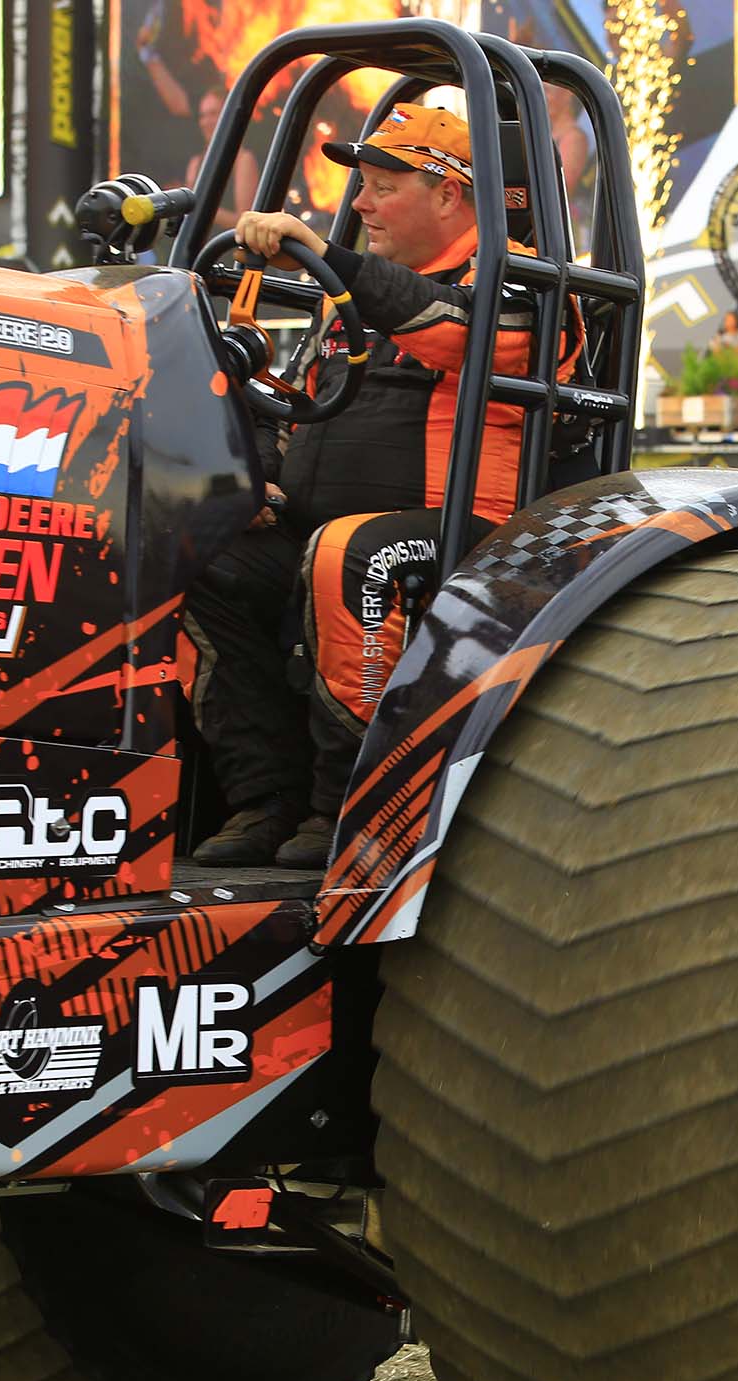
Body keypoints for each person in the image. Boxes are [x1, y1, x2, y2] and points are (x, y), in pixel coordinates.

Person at [184, 103, 580, 867]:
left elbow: (460, 331)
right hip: (329, 532)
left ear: (449, 194)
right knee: (197, 551)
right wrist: (259, 481)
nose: (360, 204)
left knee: (349, 553)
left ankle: (351, 807)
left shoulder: (525, 282)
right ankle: (266, 797)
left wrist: (333, 259)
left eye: (381, 187)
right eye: (361, 186)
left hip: (475, 539)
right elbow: (295, 403)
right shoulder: (347, 299)